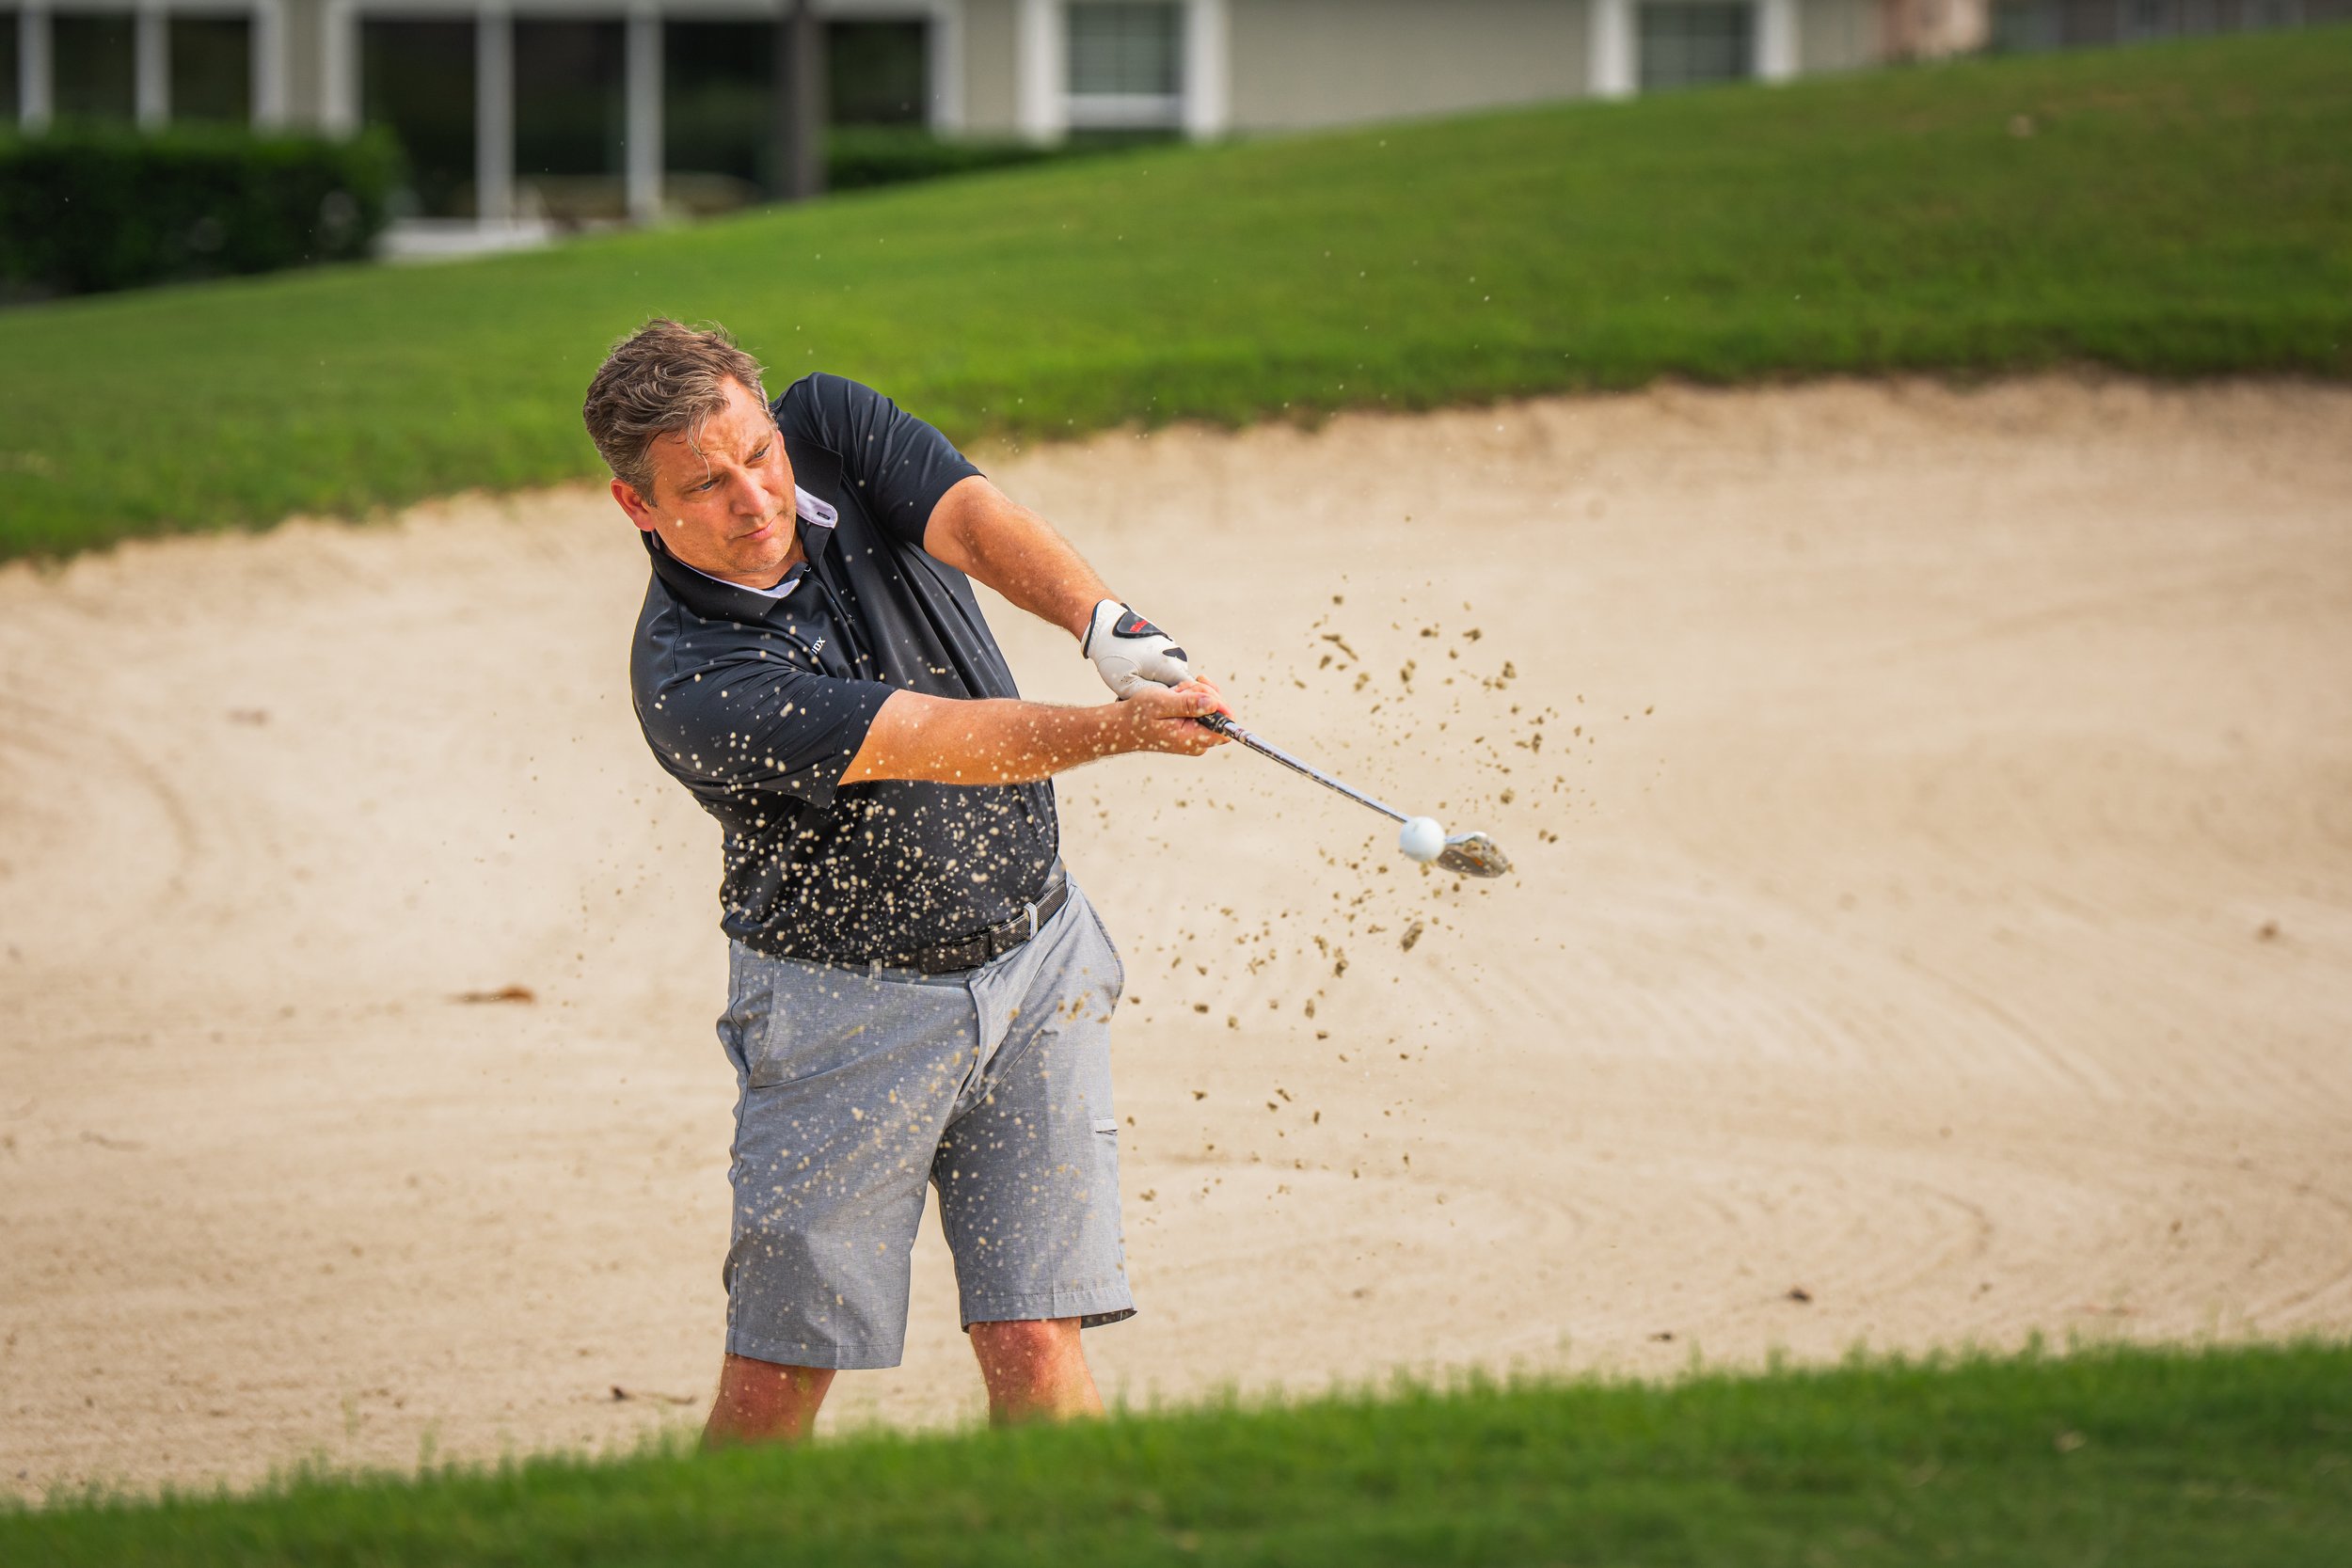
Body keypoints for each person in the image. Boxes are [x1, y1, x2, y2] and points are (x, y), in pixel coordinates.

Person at [580, 318, 1229, 1446]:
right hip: (848, 1010)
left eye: (759, 454)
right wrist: (1123, 730)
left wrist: (1106, 626)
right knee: (782, 1371)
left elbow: (969, 519)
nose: (756, 498)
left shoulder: (828, 421)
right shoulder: (693, 677)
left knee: (1035, 1334)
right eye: (707, 485)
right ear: (641, 506)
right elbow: (940, 738)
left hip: (1037, 960)